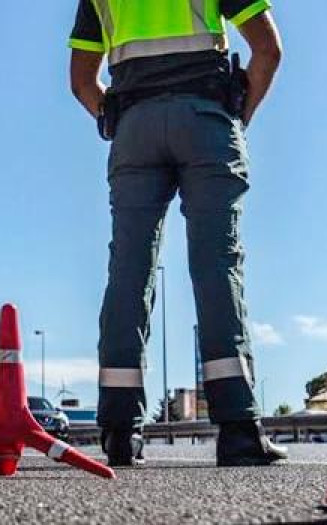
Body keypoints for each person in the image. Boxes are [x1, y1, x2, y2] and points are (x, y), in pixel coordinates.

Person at [68, 0, 286, 467]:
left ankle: (121, 433)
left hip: (134, 128)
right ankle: (239, 431)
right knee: (216, 265)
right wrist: (236, 117)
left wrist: (115, 118)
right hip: (205, 118)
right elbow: (267, 51)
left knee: (128, 270)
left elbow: (82, 81)